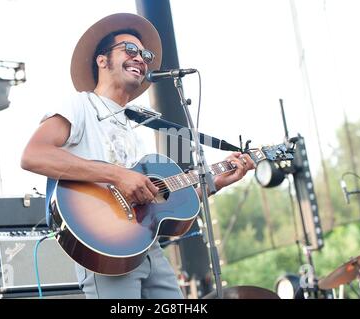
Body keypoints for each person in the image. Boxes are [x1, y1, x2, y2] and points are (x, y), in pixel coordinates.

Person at [21, 13, 255, 299]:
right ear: (102, 60)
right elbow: (33, 155)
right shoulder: (79, 105)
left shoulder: (135, 124)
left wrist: (216, 181)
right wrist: (117, 174)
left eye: (145, 54)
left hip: (146, 246)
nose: (141, 59)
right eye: (130, 50)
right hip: (106, 245)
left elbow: (161, 201)